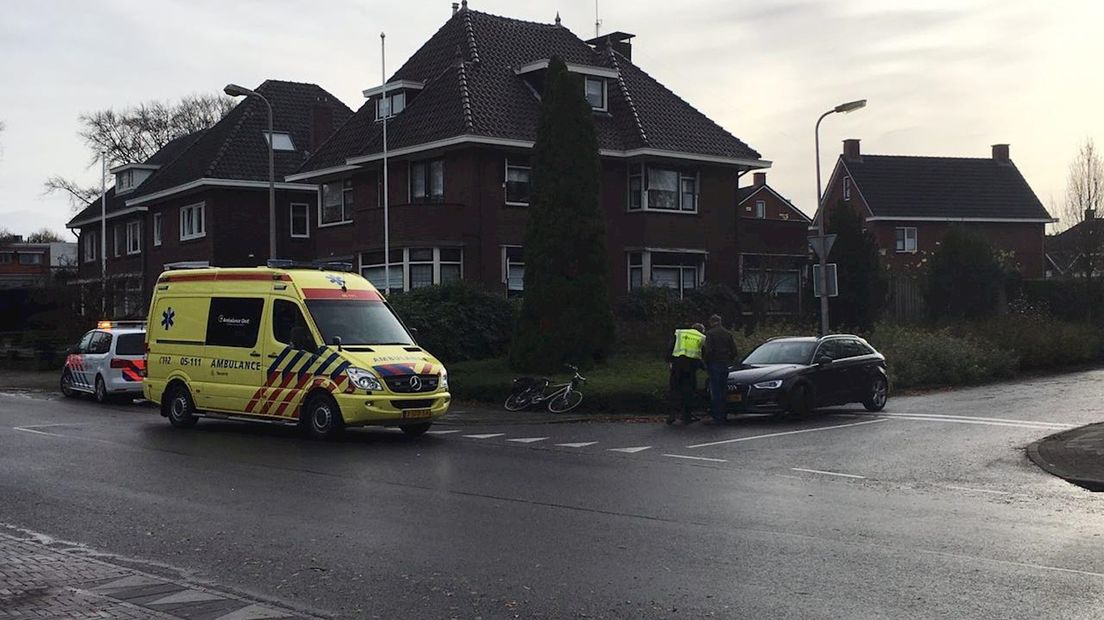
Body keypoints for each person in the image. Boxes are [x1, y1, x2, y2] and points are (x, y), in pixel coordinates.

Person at [701, 314, 738, 425]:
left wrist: (706, 362)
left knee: (715, 391)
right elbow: (734, 351)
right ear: (720, 321)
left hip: (714, 364)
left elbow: (709, 350)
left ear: (711, 322)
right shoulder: (727, 333)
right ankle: (724, 414)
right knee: (723, 390)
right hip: (724, 364)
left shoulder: (710, 334)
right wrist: (728, 360)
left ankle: (717, 416)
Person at [666, 322, 705, 425]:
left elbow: (670, 347)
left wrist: (669, 360)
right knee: (688, 392)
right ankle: (686, 417)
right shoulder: (701, 337)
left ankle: (672, 415)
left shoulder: (679, 333)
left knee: (674, 390)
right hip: (689, 369)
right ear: (701, 330)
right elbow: (700, 354)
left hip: (676, 366)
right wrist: (705, 368)